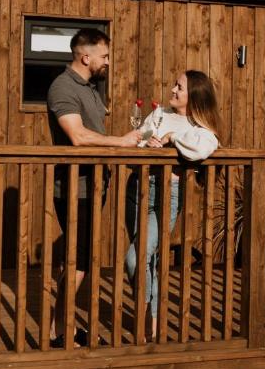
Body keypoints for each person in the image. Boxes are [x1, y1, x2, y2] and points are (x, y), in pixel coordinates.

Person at [46, 28, 140, 348]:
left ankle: (61, 330)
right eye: (105, 56)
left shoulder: (88, 87)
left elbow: (96, 121)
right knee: (80, 265)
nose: (108, 63)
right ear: (85, 57)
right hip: (75, 188)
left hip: (93, 186)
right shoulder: (62, 87)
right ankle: (59, 333)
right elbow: (78, 136)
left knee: (78, 261)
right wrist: (122, 142)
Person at [126, 70, 221, 339]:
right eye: (175, 84)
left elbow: (202, 148)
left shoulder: (200, 127)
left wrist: (170, 139)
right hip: (137, 187)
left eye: (179, 87)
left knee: (135, 258)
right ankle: (152, 326)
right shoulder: (159, 114)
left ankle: (142, 319)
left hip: (166, 194)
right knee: (149, 260)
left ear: (194, 95)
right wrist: (146, 144)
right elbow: (138, 138)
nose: (173, 89)